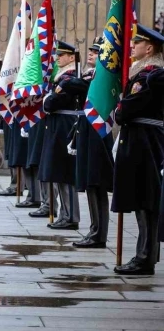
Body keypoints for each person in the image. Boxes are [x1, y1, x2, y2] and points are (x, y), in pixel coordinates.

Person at [112, 25, 164, 275]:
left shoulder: (150, 75)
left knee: (147, 199)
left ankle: (145, 258)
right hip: (141, 139)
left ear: (149, 48)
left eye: (137, 43)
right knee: (142, 199)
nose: (131, 47)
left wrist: (119, 111)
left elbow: (127, 109)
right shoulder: (144, 73)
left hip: (146, 141)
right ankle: (143, 255)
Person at [65, 37, 113, 248]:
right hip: (87, 129)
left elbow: (73, 85)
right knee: (91, 184)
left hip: (97, 131)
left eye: (97, 51)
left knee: (97, 183)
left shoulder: (100, 77)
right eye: (91, 51)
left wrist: (75, 81)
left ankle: (99, 233)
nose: (92, 53)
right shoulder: (90, 74)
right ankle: (94, 230)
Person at [38, 41, 80, 230]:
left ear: (72, 58)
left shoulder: (70, 77)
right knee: (58, 172)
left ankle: (70, 216)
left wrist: (48, 100)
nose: (58, 58)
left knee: (65, 172)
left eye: (62, 55)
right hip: (58, 125)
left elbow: (52, 102)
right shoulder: (62, 77)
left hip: (65, 126)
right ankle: (65, 214)